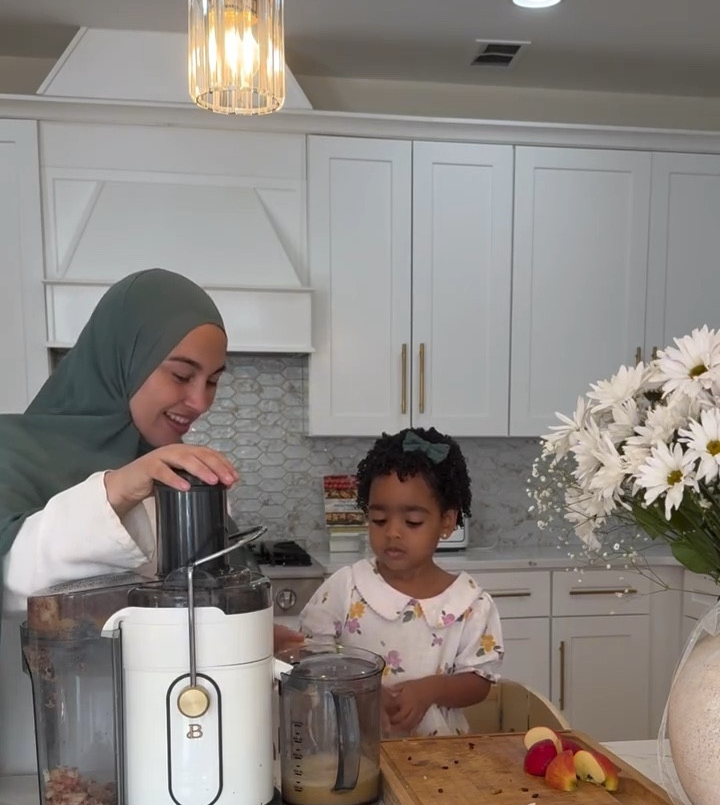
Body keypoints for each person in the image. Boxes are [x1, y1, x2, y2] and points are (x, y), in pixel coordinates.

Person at [0, 267, 300, 773]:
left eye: (212, 381)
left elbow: (197, 595)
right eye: (182, 376)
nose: (200, 401)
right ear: (123, 357)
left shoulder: (176, 474)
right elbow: (14, 580)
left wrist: (249, 635)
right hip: (49, 768)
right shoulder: (12, 451)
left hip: (176, 756)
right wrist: (119, 486)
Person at [299, 426, 504, 737]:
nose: (392, 532)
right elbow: (311, 657)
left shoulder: (470, 604)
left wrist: (432, 690)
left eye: (412, 522)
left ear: (446, 521)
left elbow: (479, 681)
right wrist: (360, 688)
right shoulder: (346, 588)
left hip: (439, 761)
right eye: (379, 519)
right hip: (354, 756)